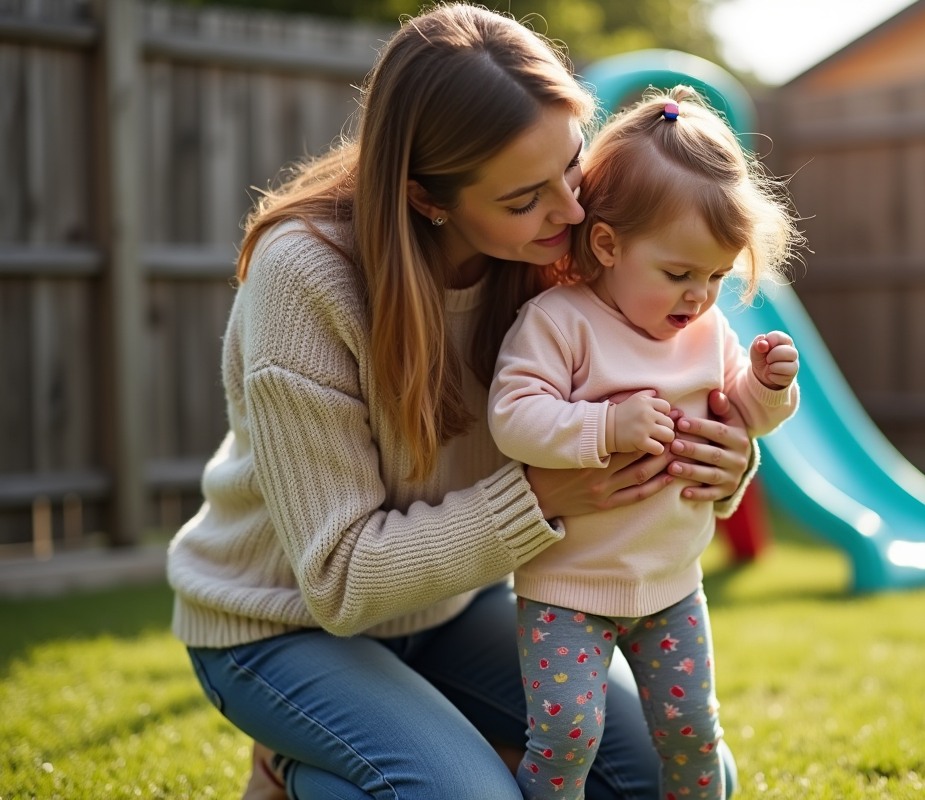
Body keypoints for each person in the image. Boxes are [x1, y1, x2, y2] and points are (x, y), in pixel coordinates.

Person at [166, 6, 760, 799]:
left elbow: (667, 382)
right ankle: (294, 768)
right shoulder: (304, 280)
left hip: (447, 607)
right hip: (280, 624)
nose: (574, 212)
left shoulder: (563, 252)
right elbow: (340, 580)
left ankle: (434, 743)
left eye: (571, 166)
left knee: (677, 772)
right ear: (428, 198)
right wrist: (542, 494)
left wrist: (724, 457)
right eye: (524, 198)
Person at [488, 88, 801, 800]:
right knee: (567, 738)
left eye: (716, 277)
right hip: (568, 591)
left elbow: (739, 420)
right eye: (679, 274)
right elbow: (513, 417)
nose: (699, 297)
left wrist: (768, 387)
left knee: (693, 733)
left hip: (672, 586)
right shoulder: (558, 322)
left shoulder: (707, 332)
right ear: (608, 245)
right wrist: (604, 427)